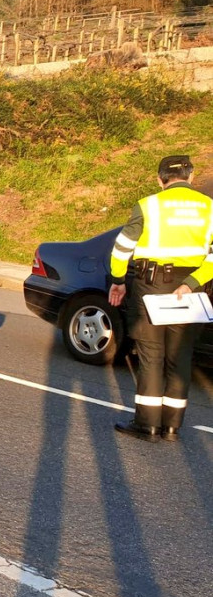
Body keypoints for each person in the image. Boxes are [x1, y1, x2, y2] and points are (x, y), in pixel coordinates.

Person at [108, 155, 213, 442]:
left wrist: (118, 281)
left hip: (151, 286)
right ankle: (171, 428)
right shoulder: (210, 208)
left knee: (151, 356)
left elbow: (121, 249)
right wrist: (191, 283)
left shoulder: (148, 205)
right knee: (180, 357)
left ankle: (147, 425)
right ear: (191, 177)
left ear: (160, 179)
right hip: (192, 291)